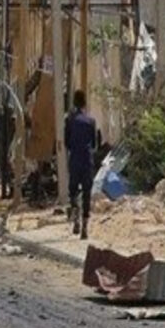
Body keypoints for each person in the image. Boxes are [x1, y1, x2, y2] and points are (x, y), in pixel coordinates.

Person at [65, 90, 97, 239]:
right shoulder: (91, 121)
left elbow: (67, 143)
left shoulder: (70, 120)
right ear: (85, 102)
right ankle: (85, 226)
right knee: (87, 193)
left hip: (75, 159)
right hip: (87, 160)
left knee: (73, 190)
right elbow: (95, 143)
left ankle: (75, 217)